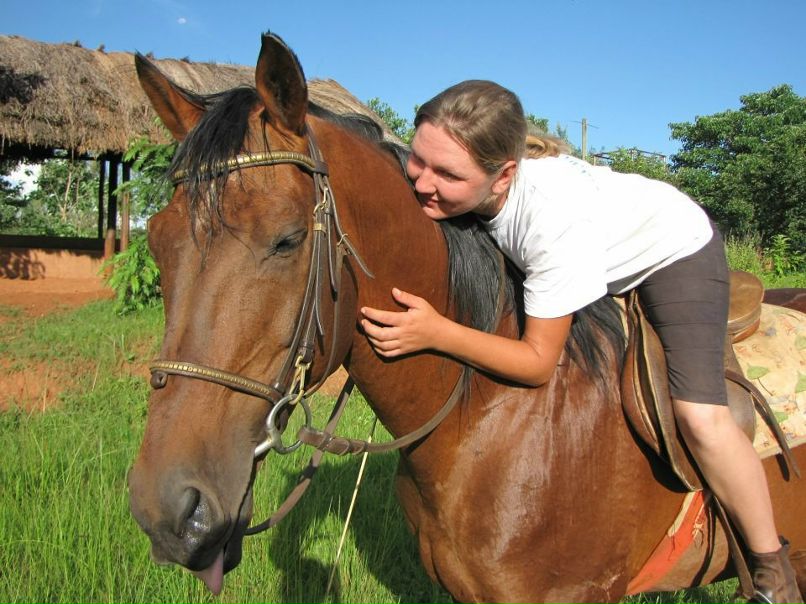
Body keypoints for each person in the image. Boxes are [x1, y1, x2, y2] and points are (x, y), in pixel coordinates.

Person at [359, 80, 802, 604]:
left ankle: (772, 566)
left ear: (504, 175)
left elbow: (538, 363)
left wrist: (438, 331)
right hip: (597, 238)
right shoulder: (470, 191)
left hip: (675, 253)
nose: (423, 182)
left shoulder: (550, 222)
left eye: (448, 174)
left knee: (700, 416)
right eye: (419, 160)